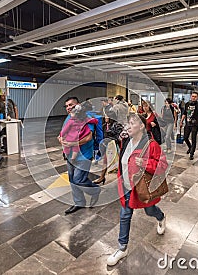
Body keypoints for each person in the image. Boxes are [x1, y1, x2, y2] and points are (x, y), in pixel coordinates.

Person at [106, 113, 167, 266]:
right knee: (125, 215)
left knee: (149, 210)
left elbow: (163, 166)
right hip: (127, 186)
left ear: (141, 126)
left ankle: (161, 217)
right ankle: (122, 248)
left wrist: (145, 162)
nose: (128, 126)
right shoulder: (126, 140)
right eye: (127, 123)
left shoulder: (151, 144)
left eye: (132, 123)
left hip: (143, 188)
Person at [59, 97, 101, 214]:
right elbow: (64, 133)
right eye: (66, 106)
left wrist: (73, 143)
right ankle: (79, 202)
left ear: (78, 105)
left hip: (84, 155)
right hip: (70, 154)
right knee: (72, 179)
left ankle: (95, 190)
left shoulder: (86, 117)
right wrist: (61, 139)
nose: (68, 107)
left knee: (79, 179)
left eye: (71, 104)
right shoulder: (69, 118)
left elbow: (88, 137)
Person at [94, 114, 124, 185]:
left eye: (107, 116)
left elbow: (120, 137)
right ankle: (102, 177)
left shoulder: (117, 125)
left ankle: (122, 177)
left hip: (116, 147)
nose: (105, 118)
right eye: (105, 116)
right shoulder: (104, 125)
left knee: (120, 162)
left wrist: (112, 139)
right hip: (107, 147)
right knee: (105, 161)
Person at [180, 91, 198, 160]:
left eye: (195, 96)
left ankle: (192, 153)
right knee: (185, 137)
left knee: (193, 139)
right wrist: (181, 122)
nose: (193, 98)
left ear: (197, 98)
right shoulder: (187, 104)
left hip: (195, 124)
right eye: (192, 96)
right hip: (187, 124)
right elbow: (184, 113)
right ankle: (190, 147)